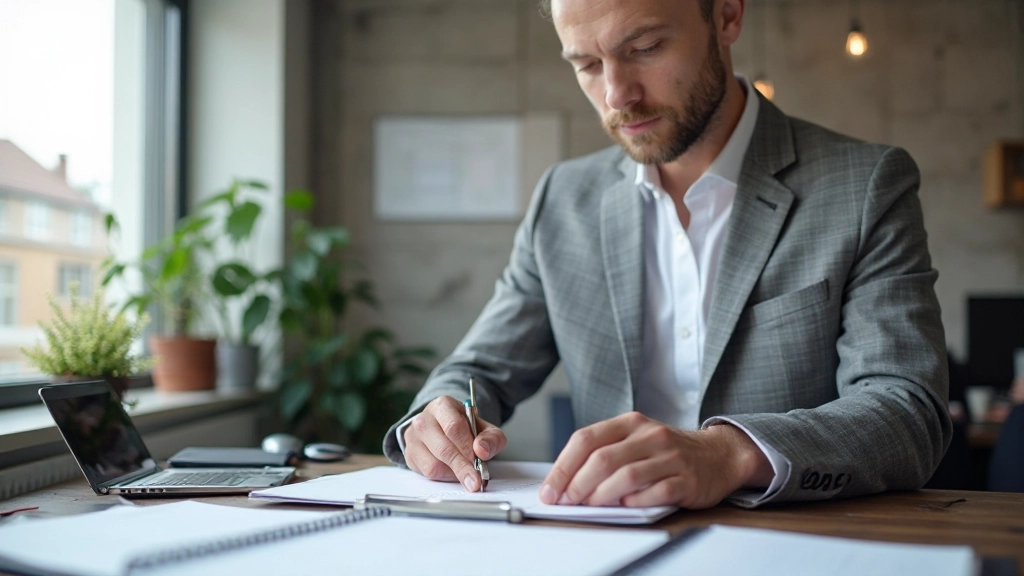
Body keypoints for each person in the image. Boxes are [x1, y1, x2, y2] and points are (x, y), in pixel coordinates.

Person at [383, 0, 952, 509]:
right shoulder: (563, 200)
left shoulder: (865, 185)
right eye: (585, 64)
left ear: (726, 16)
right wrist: (439, 416)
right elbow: (478, 370)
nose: (616, 95)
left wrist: (729, 454)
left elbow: (906, 412)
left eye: (646, 48)